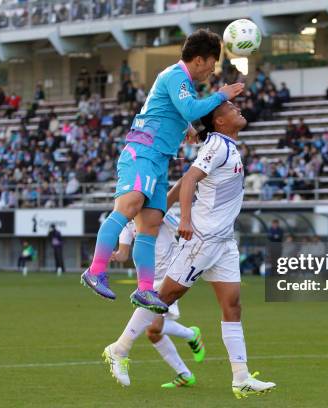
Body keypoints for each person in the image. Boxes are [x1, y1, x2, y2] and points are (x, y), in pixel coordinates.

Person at [103, 101, 276, 398]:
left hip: (223, 242)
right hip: (203, 239)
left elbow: (187, 178)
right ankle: (118, 349)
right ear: (220, 122)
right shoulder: (217, 146)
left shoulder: (225, 144)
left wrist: (166, 205)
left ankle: (241, 377)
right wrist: (184, 219)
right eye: (233, 110)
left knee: (232, 306)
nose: (239, 112)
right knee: (163, 298)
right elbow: (190, 180)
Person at [80, 29, 244, 313]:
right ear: (199, 60)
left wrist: (188, 129)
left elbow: (176, 112)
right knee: (129, 205)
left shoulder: (184, 83)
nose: (212, 70)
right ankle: (95, 270)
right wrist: (221, 95)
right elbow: (190, 109)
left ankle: (144, 290)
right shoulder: (175, 75)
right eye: (212, 63)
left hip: (159, 158)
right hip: (143, 151)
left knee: (151, 224)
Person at [106, 208, 205, 388]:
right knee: (153, 332)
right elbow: (123, 254)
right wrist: (114, 255)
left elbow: (183, 230)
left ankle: (120, 349)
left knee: (154, 327)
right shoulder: (127, 222)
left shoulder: (160, 212)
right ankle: (186, 368)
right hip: (148, 280)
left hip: (170, 275)